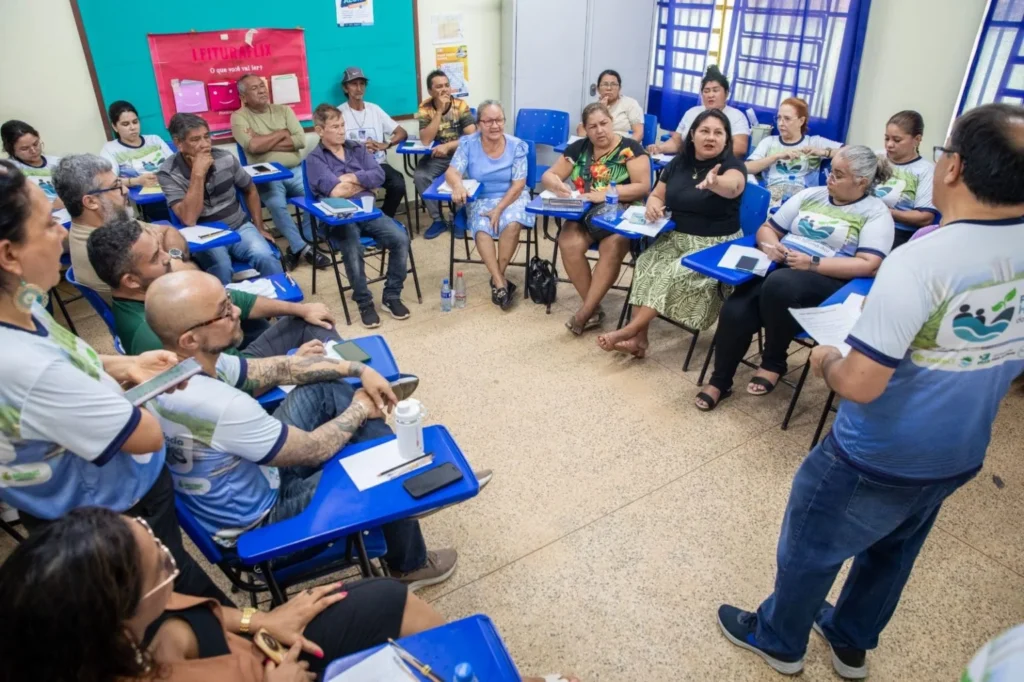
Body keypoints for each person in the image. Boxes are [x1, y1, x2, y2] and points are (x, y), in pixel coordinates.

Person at [717, 103, 1024, 679]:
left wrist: (829, 358)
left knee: (810, 544)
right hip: (960, 449)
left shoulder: (924, 260)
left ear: (952, 168)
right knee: (893, 548)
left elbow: (860, 383)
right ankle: (850, 642)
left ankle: (780, 640)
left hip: (879, 450)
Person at [0, 159, 228, 605]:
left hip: (105, 483)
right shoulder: (22, 366)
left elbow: (66, 352)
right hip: (109, 506)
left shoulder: (23, 298)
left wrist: (125, 366)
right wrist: (143, 393)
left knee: (176, 581)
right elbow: (143, 435)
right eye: (49, 223)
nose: (63, 233)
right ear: (9, 254)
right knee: (159, 598)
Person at [0, 507, 580, 682]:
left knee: (380, 596)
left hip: (266, 654)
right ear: (120, 615)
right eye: (162, 562)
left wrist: (264, 621)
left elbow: (215, 611)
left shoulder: (126, 617)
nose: (168, 558)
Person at [144, 269, 459, 590]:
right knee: (368, 466)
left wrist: (359, 369)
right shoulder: (220, 406)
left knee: (329, 388)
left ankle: (403, 488)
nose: (236, 311)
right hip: (264, 525)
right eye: (223, 312)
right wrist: (361, 407)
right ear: (189, 339)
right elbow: (313, 449)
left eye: (229, 302)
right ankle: (408, 548)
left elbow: (282, 367)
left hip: (252, 476)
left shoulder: (180, 368)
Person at [696, 145, 894, 410]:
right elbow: (768, 229)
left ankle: (773, 360)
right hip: (783, 269)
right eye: (830, 171)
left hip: (828, 281)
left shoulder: (875, 212)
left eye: (838, 174)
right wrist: (772, 247)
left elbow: (869, 265)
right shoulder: (812, 195)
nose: (829, 179)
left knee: (780, 285)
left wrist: (812, 264)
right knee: (736, 307)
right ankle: (720, 381)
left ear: (862, 182)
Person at [596, 109, 746, 358]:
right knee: (646, 262)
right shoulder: (679, 162)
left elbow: (735, 186)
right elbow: (656, 194)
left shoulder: (732, 166)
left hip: (714, 244)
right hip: (676, 236)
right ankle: (639, 340)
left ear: (727, 140)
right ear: (692, 136)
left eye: (718, 133)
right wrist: (653, 204)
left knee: (672, 272)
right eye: (705, 131)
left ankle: (628, 331)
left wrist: (715, 182)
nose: (711, 137)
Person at [87, 217, 340, 359]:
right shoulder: (151, 333)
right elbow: (227, 383)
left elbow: (235, 297)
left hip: (235, 361)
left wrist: (298, 309)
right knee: (316, 332)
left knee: (308, 317)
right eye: (156, 257)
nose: (168, 258)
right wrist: (291, 364)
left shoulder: (155, 288)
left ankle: (351, 372)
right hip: (241, 373)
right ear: (130, 281)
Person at [540, 102, 650, 335]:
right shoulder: (578, 148)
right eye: (593, 127)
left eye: (604, 123)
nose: (599, 130)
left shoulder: (630, 149)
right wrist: (557, 185)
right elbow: (548, 175)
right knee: (567, 242)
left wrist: (606, 194)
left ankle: (584, 313)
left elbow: (643, 187)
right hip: (585, 213)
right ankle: (595, 309)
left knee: (612, 247)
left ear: (612, 122)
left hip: (621, 215)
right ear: (585, 130)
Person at [306, 103, 412, 328]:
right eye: (335, 126)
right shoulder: (314, 159)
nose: (342, 130)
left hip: (367, 210)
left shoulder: (357, 148)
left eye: (343, 125)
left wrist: (349, 178)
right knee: (353, 246)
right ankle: (364, 301)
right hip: (339, 217)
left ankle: (392, 295)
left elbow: (380, 176)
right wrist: (363, 181)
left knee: (401, 238)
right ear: (320, 130)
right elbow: (335, 192)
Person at [158, 112, 284, 284]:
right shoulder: (168, 173)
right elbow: (189, 219)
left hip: (239, 226)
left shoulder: (225, 157)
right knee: (221, 267)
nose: (204, 145)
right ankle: (225, 309)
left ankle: (285, 309)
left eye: (206, 137)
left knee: (266, 256)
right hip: (204, 234)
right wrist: (197, 174)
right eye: (195, 140)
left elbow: (250, 189)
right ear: (179, 143)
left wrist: (259, 227)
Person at [54, 153, 189, 303]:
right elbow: (182, 281)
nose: (125, 190)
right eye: (116, 186)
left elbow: (168, 230)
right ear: (91, 202)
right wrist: (177, 263)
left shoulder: (111, 222)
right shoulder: (106, 248)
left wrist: (174, 256)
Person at [231, 74, 329, 270]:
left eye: (262, 85)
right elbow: (253, 146)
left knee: (319, 194)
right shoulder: (239, 117)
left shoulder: (283, 110)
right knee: (276, 205)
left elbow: (300, 141)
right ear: (243, 96)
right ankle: (303, 248)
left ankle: (306, 240)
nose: (261, 90)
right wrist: (283, 133)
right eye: (254, 88)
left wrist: (264, 140)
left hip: (295, 170)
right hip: (268, 177)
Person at [445, 100, 534, 310]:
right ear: (479, 124)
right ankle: (500, 281)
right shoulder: (468, 143)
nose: (495, 126)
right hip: (481, 197)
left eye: (499, 120)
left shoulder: (517, 145)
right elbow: (452, 172)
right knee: (483, 229)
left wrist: (500, 208)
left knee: (512, 224)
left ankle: (497, 279)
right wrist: (457, 185)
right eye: (488, 121)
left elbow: (519, 184)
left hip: (512, 196)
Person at [338, 66, 409, 218]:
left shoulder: (374, 109)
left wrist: (386, 144)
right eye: (354, 84)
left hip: (378, 164)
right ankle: (366, 222)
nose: (358, 88)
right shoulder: (339, 113)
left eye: (362, 84)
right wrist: (357, 149)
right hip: (353, 167)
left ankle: (384, 218)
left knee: (398, 184)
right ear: (345, 88)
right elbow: (331, 144)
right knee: (358, 191)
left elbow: (402, 133)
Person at [745, 97, 843, 206]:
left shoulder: (814, 142)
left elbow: (852, 152)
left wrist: (824, 152)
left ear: (801, 121)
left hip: (803, 197)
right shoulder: (769, 142)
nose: (781, 123)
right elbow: (746, 168)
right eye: (779, 118)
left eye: (787, 118)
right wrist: (776, 156)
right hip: (774, 195)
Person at [415, 69, 477, 240]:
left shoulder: (461, 105)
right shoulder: (425, 108)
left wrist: (449, 145)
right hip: (436, 158)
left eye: (447, 85)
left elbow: (472, 137)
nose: (444, 90)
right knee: (420, 176)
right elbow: (426, 140)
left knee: (462, 177)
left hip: (460, 156)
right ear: (430, 91)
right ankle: (437, 220)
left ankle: (458, 217)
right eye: (439, 87)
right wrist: (439, 112)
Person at [648, 65, 751, 158]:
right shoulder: (692, 112)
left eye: (715, 90)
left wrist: (703, 156)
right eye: (706, 91)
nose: (710, 95)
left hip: (718, 166)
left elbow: (739, 149)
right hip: (688, 163)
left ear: (726, 93)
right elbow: (677, 141)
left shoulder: (737, 116)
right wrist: (660, 148)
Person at [875, 110, 940, 247]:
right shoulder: (877, 157)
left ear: (917, 139)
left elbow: (925, 218)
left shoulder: (925, 171)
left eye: (897, 140)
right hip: (866, 221)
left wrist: (887, 212)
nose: (889, 144)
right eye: (887, 138)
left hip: (898, 231)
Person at [1, 119, 63, 208]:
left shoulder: (58, 163)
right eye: (24, 148)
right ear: (11, 150)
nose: (33, 151)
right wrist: (52, 206)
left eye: (35, 144)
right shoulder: (8, 171)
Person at [574, 69, 644, 141]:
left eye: (613, 84)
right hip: (599, 146)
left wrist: (626, 148)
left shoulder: (630, 104)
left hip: (622, 146)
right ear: (598, 89)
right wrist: (601, 109)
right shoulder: (594, 106)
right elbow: (581, 131)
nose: (609, 88)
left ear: (619, 88)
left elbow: (639, 133)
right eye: (605, 84)